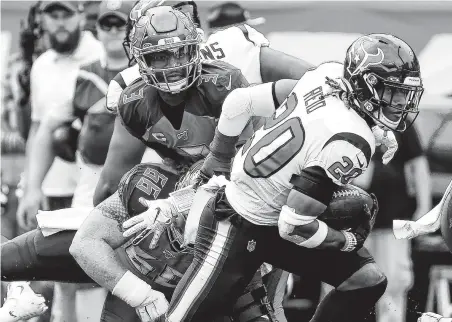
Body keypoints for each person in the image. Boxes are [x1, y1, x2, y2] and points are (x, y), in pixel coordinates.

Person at [133, 33, 424, 321]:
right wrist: (343, 240)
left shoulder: (328, 74)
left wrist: (219, 157)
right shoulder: (351, 143)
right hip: (237, 220)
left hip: (270, 211)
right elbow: (293, 226)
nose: (401, 102)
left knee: (366, 279)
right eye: (393, 92)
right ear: (367, 85)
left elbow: (238, 103)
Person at [1, 161, 279, 322]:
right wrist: (139, 294)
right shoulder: (150, 187)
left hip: (168, 299)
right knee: (5, 260)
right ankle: (16, 289)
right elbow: (85, 243)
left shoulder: (247, 239)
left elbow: (248, 303)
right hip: (117, 259)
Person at [16, 1, 103, 322]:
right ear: (42, 19)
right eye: (53, 15)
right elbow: (38, 127)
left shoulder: (100, 57)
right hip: (52, 186)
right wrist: (30, 185)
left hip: (92, 187)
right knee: (56, 279)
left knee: (91, 275)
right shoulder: (42, 64)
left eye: (67, 13)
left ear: (82, 14)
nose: (60, 22)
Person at [351, 120, 431, 322]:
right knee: (345, 283)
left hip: (393, 217)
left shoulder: (399, 119)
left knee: (394, 283)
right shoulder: (351, 115)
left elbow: (418, 163)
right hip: (352, 220)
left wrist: (424, 206)